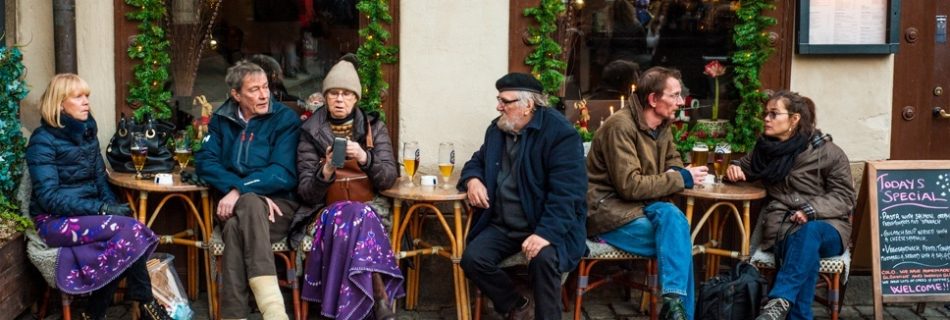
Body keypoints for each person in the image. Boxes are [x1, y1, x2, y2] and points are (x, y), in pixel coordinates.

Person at [25, 74, 171, 320]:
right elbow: (49, 197)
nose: (86, 102)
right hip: (54, 221)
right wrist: (103, 209)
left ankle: (95, 313)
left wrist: (112, 206)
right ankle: (145, 305)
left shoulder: (87, 134)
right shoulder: (42, 140)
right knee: (132, 232)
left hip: (88, 215)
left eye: (87, 96)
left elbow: (100, 181)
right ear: (60, 104)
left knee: (128, 231)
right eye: (78, 96)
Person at [459, 73, 588, 320]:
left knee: (544, 260)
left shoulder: (560, 134)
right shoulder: (497, 129)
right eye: (499, 100)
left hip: (545, 224)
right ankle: (517, 304)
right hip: (503, 225)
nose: (499, 106)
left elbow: (568, 194)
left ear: (528, 105)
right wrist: (473, 179)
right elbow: (476, 161)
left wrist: (545, 234)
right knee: (473, 259)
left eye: (505, 101)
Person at [586, 66, 707, 320]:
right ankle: (678, 311)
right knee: (679, 240)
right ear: (653, 99)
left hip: (646, 207)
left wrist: (677, 174)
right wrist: (681, 178)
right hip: (609, 213)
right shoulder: (620, 126)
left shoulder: (663, 125)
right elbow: (630, 186)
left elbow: (674, 162)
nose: (680, 102)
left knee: (675, 228)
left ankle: (673, 305)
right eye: (673, 95)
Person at [726, 91, 855, 320]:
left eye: (774, 114)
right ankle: (791, 310)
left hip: (829, 226)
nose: (766, 118)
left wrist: (811, 210)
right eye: (765, 113)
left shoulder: (828, 153)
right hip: (783, 227)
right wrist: (733, 167)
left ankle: (780, 299)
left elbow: (844, 197)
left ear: (794, 119)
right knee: (806, 254)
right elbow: (743, 166)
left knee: (810, 233)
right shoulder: (764, 151)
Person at [294, 57, 402, 320]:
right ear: (326, 97)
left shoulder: (373, 128)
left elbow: (388, 177)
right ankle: (378, 298)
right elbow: (306, 191)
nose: (339, 99)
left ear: (356, 98)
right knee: (354, 216)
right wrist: (327, 169)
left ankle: (345, 311)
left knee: (357, 216)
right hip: (324, 212)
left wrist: (365, 157)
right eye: (333, 93)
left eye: (346, 94)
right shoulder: (310, 131)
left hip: (368, 209)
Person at [195, 61, 301, 320]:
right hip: (242, 210)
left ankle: (252, 313)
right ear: (236, 95)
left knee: (241, 216)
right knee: (239, 220)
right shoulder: (222, 119)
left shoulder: (285, 119)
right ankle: (270, 311)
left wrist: (238, 191)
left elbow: (282, 173)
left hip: (280, 209)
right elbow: (205, 163)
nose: (264, 95)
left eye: (266, 87)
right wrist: (241, 191)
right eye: (254, 90)